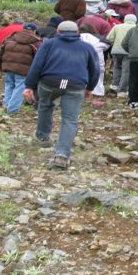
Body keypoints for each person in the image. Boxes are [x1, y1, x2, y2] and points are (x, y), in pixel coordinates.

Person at [23, 21, 100, 170]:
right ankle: (62, 155)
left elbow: (36, 65)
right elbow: (95, 70)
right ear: (77, 32)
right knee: (69, 119)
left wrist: (29, 86)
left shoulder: (48, 44)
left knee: (45, 105)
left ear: (58, 32)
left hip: (49, 82)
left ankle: (43, 136)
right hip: (75, 85)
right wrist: (89, 88)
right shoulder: (87, 48)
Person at [0, 24, 42, 114]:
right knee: (19, 87)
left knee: (9, 85)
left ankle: (6, 105)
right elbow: (39, 58)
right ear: (34, 31)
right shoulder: (35, 42)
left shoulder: (10, 38)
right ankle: (12, 109)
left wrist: (0, 66)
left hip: (7, 67)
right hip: (23, 70)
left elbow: (0, 53)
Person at [106, 14, 137, 97]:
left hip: (116, 51)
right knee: (126, 71)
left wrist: (115, 45)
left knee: (116, 68)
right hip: (128, 51)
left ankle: (115, 85)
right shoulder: (136, 28)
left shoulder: (117, 27)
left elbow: (109, 39)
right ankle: (122, 90)